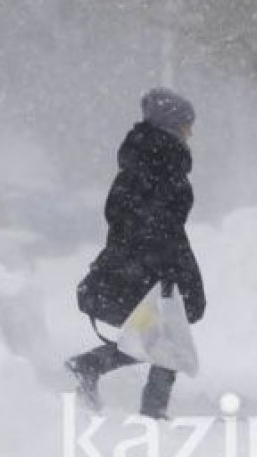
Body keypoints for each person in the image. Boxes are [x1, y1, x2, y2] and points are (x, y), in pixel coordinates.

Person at [66, 87, 206, 419]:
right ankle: (151, 411)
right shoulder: (157, 164)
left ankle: (90, 366)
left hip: (150, 261)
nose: (191, 132)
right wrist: (157, 260)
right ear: (172, 126)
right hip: (150, 265)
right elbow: (140, 218)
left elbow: (135, 216)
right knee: (166, 334)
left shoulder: (150, 160)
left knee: (158, 333)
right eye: (187, 124)